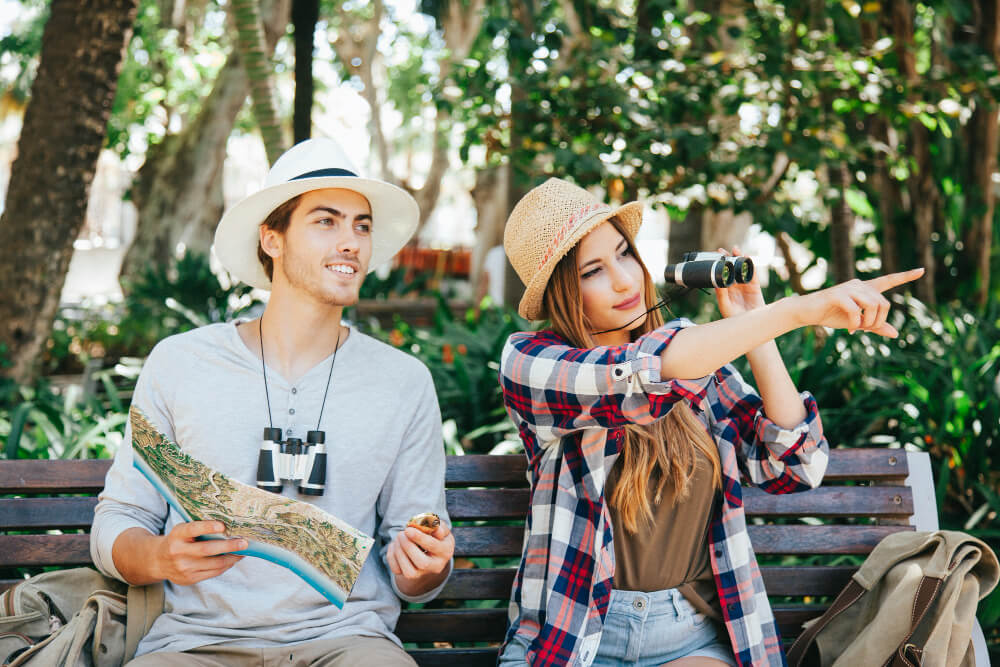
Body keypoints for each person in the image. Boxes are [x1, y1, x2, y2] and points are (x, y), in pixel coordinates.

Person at [495, 178, 924, 667]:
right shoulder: (533, 363)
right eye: (593, 270)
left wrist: (757, 325)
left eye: (624, 254)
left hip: (689, 638)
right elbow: (643, 370)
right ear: (559, 293)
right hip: (575, 641)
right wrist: (797, 311)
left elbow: (795, 465)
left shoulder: (700, 363)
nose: (624, 280)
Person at [91, 138, 455, 666]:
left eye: (362, 225)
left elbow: (416, 562)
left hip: (348, 641)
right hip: (195, 645)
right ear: (272, 239)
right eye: (325, 221)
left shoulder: (403, 381)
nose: (351, 241)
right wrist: (159, 557)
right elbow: (118, 520)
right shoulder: (181, 364)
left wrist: (425, 567)